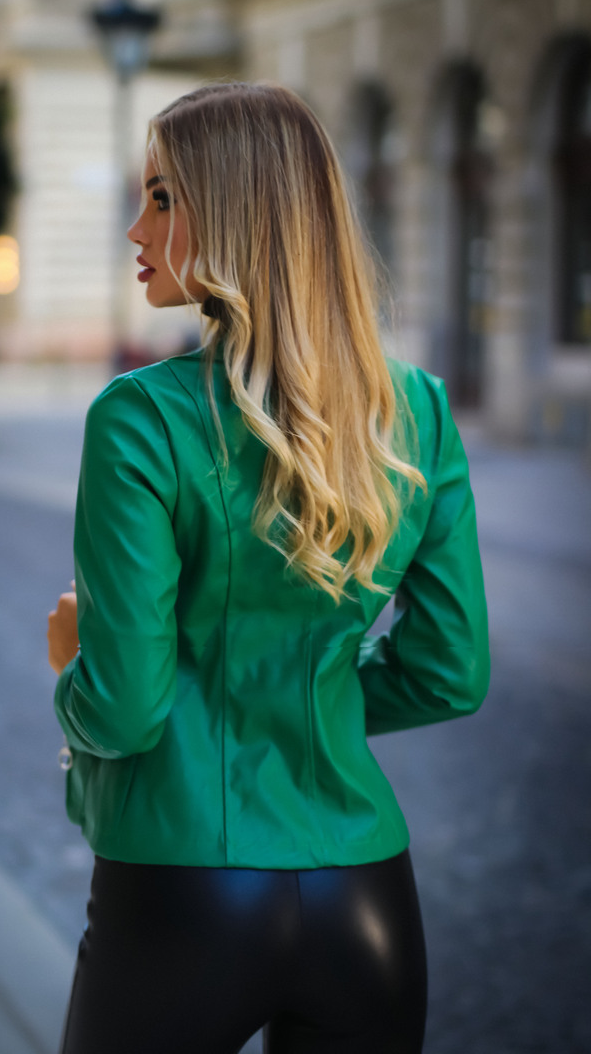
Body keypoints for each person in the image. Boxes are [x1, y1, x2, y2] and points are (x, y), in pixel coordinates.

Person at [47, 81, 490, 1054]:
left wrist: (70, 661)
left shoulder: (139, 417)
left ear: (237, 214)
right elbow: (450, 671)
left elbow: (125, 707)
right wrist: (310, 694)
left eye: (162, 197)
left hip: (179, 889)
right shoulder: (418, 409)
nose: (136, 228)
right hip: (367, 896)